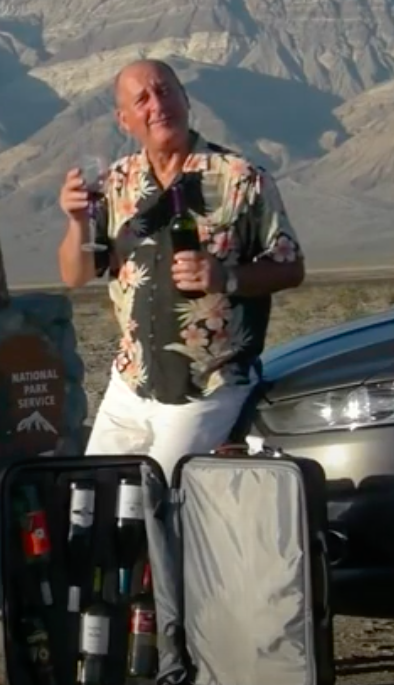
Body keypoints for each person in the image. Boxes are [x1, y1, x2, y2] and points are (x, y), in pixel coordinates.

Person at [57, 59, 306, 479]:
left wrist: (226, 278)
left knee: (160, 500)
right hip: (131, 383)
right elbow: (76, 275)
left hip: (206, 386)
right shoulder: (116, 184)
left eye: (166, 91)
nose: (158, 104)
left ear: (186, 100)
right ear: (124, 120)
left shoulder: (241, 179)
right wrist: (77, 220)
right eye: (142, 99)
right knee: (91, 499)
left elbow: (290, 266)